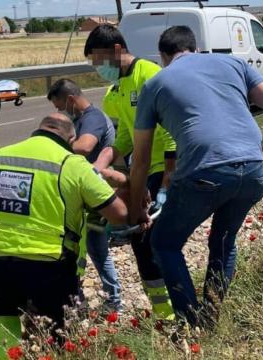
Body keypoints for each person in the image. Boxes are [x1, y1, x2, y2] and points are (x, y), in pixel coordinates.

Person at [129, 26, 263, 327]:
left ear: (164, 56)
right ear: (194, 47)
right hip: (253, 168)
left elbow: (140, 160)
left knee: (164, 242)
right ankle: (211, 316)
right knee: (224, 241)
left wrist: (136, 204)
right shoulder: (233, 64)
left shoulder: (156, 84)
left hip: (204, 171)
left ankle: (192, 326)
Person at [0, 114, 128, 360]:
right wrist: (123, 181)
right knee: (56, 329)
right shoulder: (72, 163)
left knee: (0, 318)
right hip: (48, 262)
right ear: (71, 139)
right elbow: (119, 214)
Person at [84, 24, 175, 319]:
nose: (99, 68)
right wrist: (101, 163)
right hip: (145, 168)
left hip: (166, 168)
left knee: (150, 240)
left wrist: (166, 181)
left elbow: (171, 129)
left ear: (117, 51)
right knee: (142, 241)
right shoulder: (118, 90)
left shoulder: (148, 75)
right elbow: (124, 136)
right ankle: (164, 313)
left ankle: (173, 312)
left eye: (99, 61)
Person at [47, 78, 122, 311]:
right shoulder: (81, 119)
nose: (60, 112)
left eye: (60, 107)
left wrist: (49, 147)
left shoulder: (92, 118)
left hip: (96, 196)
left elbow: (84, 147)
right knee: (84, 248)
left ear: (70, 99)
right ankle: (81, 298)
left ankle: (113, 301)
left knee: (95, 249)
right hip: (85, 195)